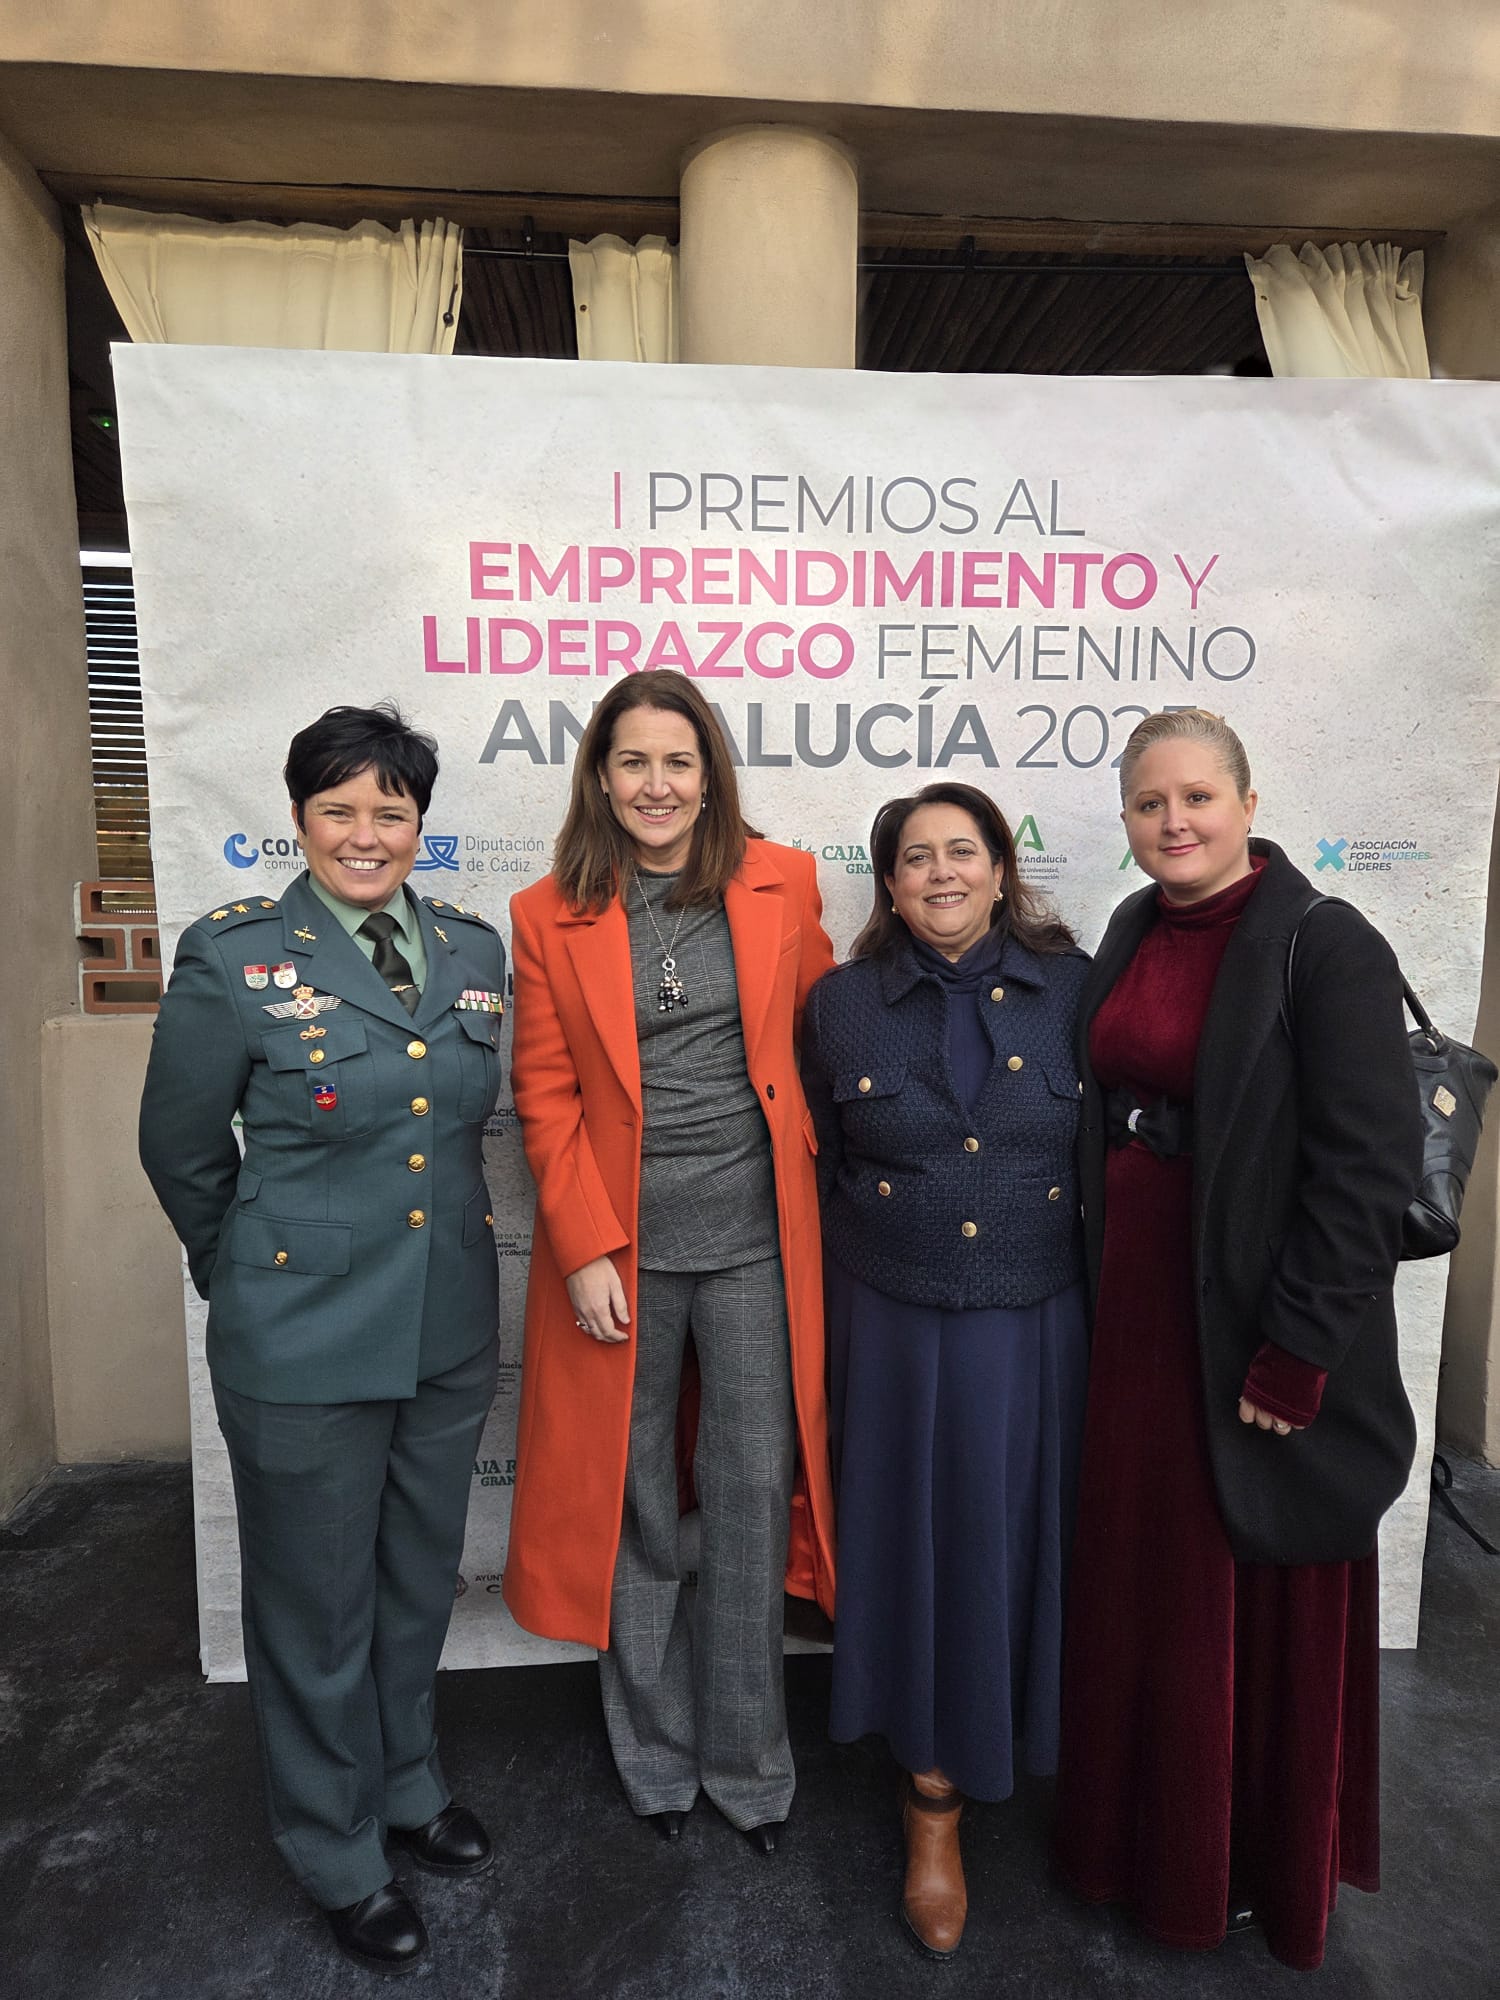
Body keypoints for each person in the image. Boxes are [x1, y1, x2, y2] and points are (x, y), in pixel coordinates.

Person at [1053, 709, 1423, 1971]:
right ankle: (1139, 1845)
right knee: (1147, 1590)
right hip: (1140, 1321)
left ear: (1249, 803)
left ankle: (1244, 1865)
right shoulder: (1130, 926)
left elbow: (1365, 1168)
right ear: (1126, 816)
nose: (1176, 821)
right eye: (1150, 802)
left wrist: (1299, 1350)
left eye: (1198, 796)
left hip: (1257, 1333)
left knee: (1247, 1592)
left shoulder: (1328, 943)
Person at [139, 703, 506, 1976]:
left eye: (389, 811)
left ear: (419, 824)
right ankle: (338, 1847)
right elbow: (182, 1150)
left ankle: (406, 1782)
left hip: (444, 1327)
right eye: (338, 808)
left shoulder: (470, 949)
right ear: (298, 819)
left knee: (414, 1583)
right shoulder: (236, 955)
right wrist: (247, 1273)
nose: (365, 833)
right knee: (315, 1609)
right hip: (298, 1341)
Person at [502, 669, 837, 1850]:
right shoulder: (547, 912)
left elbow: (822, 1042)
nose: (656, 783)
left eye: (678, 761)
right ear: (601, 777)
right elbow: (544, 1093)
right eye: (633, 761)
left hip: (756, 1245)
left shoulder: (784, 879)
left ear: (709, 776)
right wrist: (584, 1245)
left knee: (748, 1502)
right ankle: (654, 1755)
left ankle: (749, 1762)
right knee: (635, 1504)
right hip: (622, 1257)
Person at [800, 781, 1091, 1960]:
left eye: (961, 851)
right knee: (913, 1552)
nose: (940, 873)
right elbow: (817, 1161)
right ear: (888, 882)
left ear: (1002, 867)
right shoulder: (840, 1004)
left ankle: (1032, 1755)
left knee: (1015, 1543)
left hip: (1039, 1319)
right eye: (915, 857)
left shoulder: (1079, 989)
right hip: (890, 1319)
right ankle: (931, 1803)